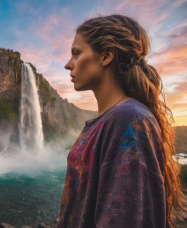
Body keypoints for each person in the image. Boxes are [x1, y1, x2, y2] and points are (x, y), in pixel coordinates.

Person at [56, 14, 187, 228]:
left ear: (106, 56)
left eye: (77, 54)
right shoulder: (110, 120)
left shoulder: (129, 120)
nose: (68, 65)